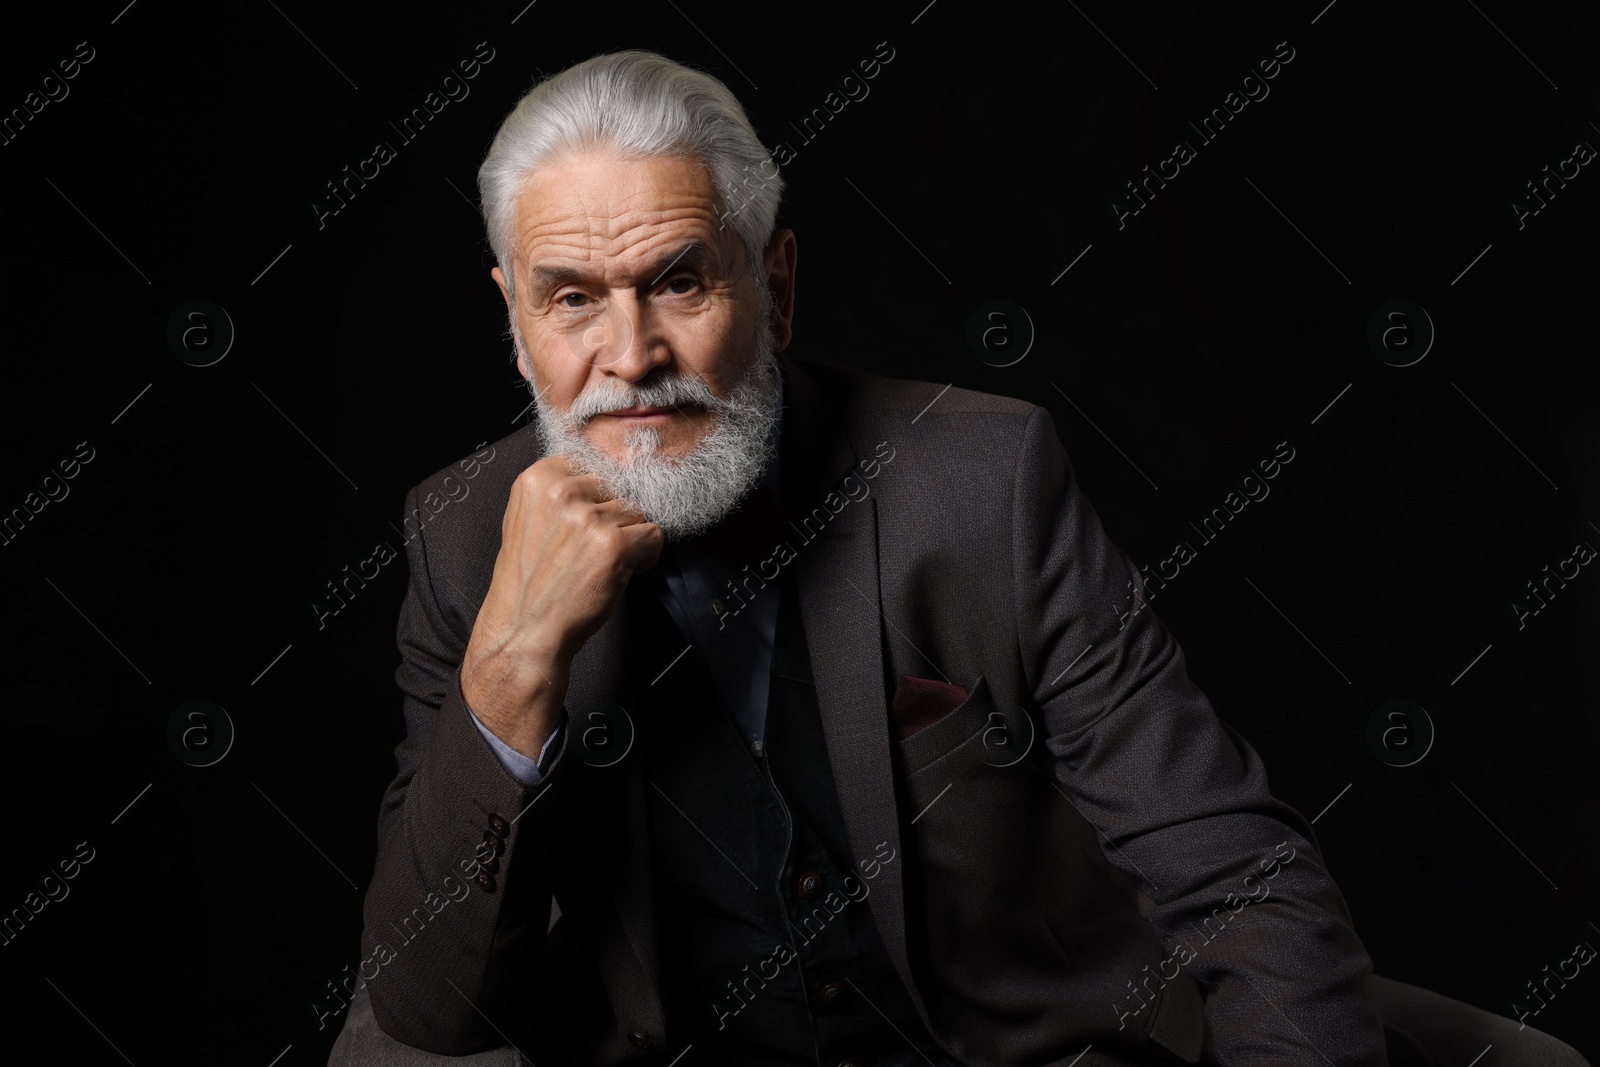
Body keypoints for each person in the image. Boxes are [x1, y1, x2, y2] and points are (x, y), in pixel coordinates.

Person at [350, 50, 1588, 1067]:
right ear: (514, 322)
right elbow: (429, 1010)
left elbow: (1232, 864)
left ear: (774, 288)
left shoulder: (980, 480)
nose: (630, 355)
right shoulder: (459, 538)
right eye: (571, 299)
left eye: (679, 281)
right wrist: (511, 660)